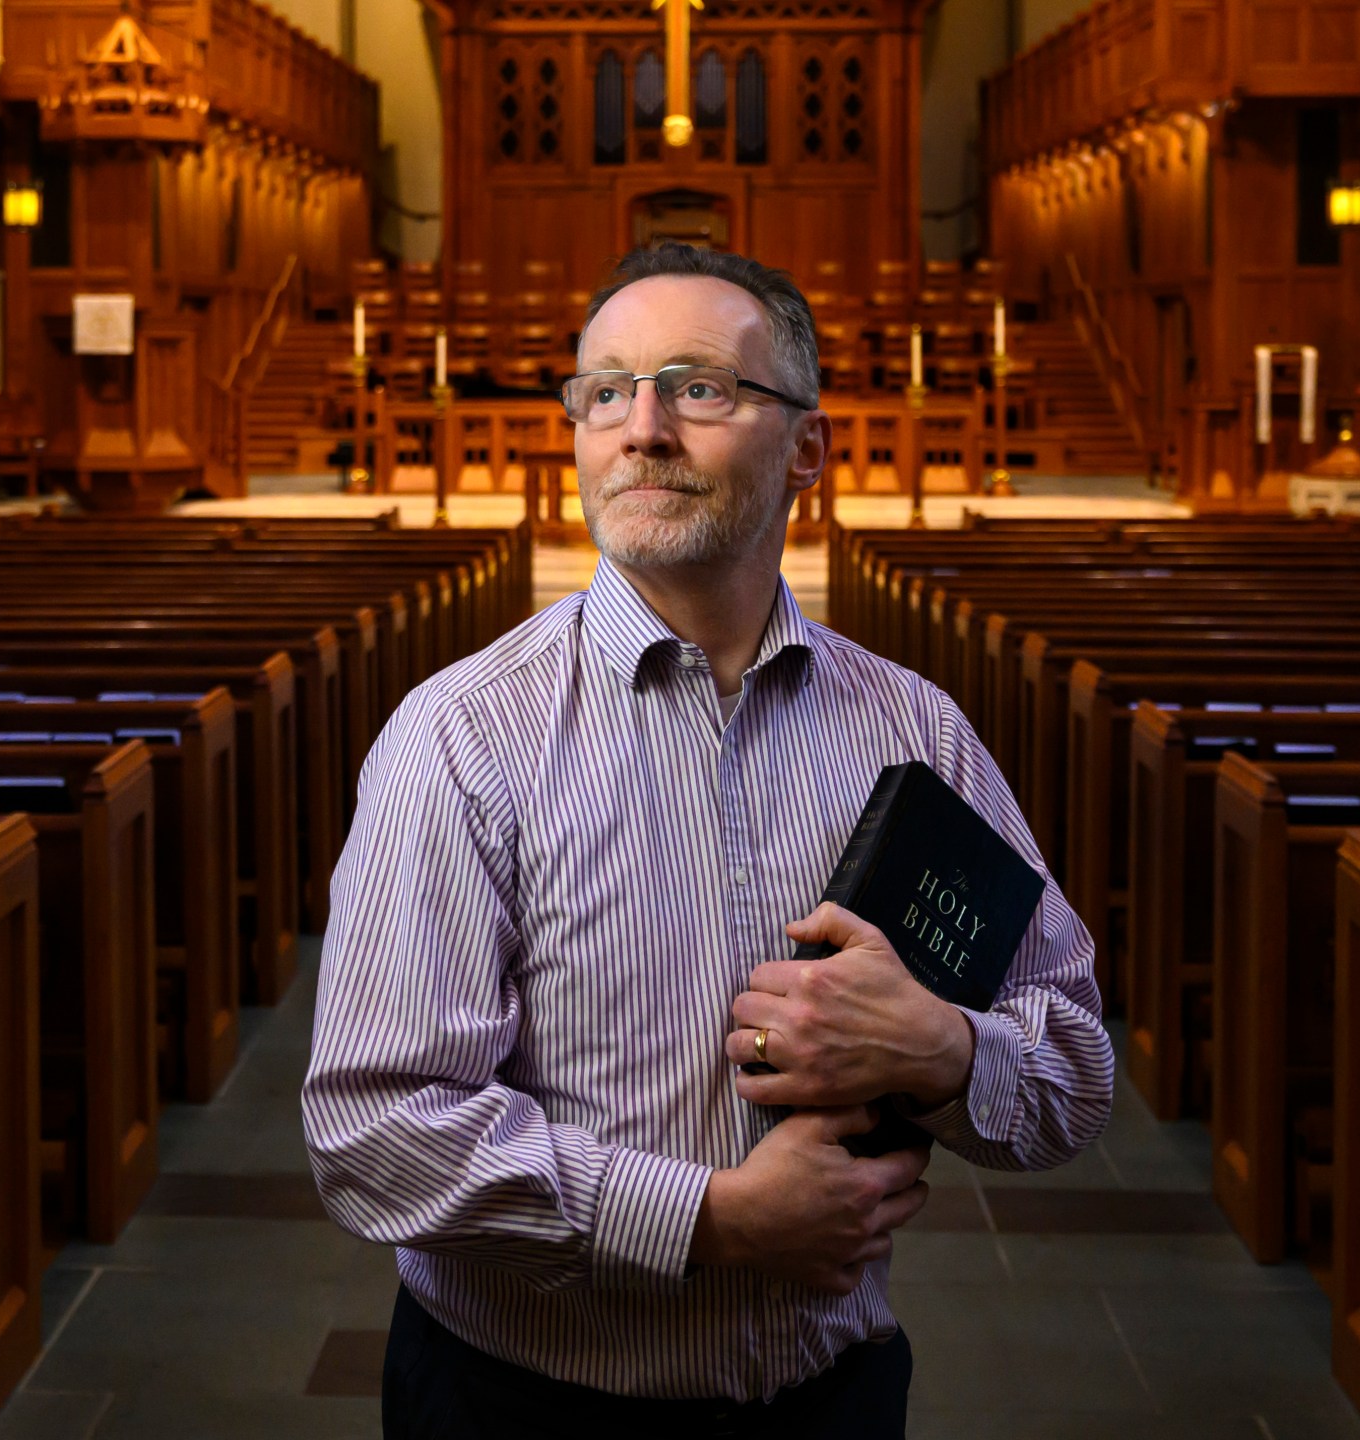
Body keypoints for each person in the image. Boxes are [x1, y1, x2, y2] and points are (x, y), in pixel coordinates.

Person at [304, 243, 1114, 1439]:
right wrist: (708, 1219)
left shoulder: (914, 731)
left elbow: (1075, 1071)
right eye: (604, 391)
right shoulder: (462, 738)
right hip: (524, 1407)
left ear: (808, 447)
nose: (642, 429)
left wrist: (940, 1049)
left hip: (829, 1396)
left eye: (699, 387)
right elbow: (373, 1133)